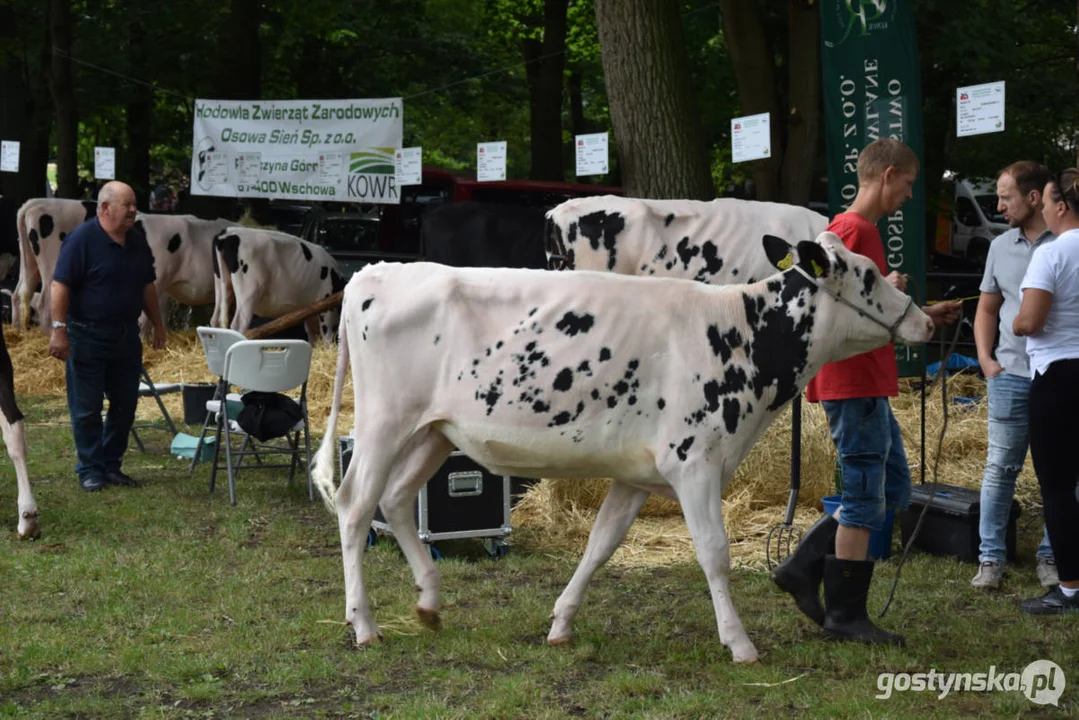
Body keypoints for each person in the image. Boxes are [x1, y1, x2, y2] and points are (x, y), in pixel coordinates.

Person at [771, 138, 962, 644]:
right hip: (852, 381)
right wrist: (890, 284)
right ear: (889, 174)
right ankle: (845, 616)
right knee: (862, 495)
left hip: (861, 381)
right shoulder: (854, 231)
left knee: (893, 487)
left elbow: (864, 305)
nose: (908, 194)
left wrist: (917, 311)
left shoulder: (847, 230)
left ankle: (800, 567)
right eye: (908, 184)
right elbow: (837, 305)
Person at [971, 162, 1057, 590]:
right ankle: (990, 560)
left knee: (1061, 470)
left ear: (1034, 197)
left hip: (1058, 375)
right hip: (1009, 375)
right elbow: (987, 308)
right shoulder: (999, 246)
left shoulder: (1068, 243)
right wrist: (986, 360)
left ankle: (1053, 555)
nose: (999, 205)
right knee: (1001, 467)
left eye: (1006, 197)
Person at [48, 181, 166, 491]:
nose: (132, 210)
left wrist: (157, 322)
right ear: (104, 208)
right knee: (87, 407)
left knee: (125, 404)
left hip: (126, 335)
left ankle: (111, 464)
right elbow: (60, 285)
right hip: (86, 334)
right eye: (126, 205)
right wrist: (59, 330)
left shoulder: (137, 241)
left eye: (134, 204)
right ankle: (90, 469)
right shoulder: (82, 240)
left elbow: (146, 284)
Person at [1012, 168, 1079, 614]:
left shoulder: (1052, 253)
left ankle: (1070, 588)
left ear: (1060, 207)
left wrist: (1016, 323)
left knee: (1057, 487)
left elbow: (1031, 321)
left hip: (1058, 376)